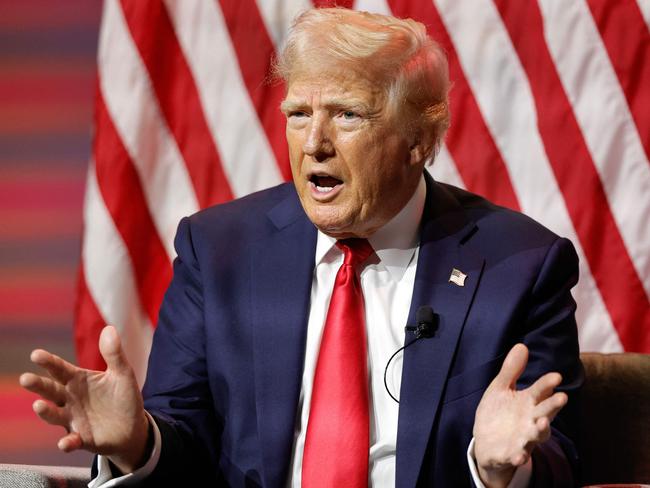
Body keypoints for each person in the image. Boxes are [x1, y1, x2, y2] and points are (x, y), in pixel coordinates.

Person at [20, 8, 583, 488]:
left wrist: (499, 468)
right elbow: (185, 438)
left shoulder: (519, 265)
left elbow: (566, 458)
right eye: (298, 114)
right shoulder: (219, 251)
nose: (314, 143)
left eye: (346, 115)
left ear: (418, 139)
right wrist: (139, 443)